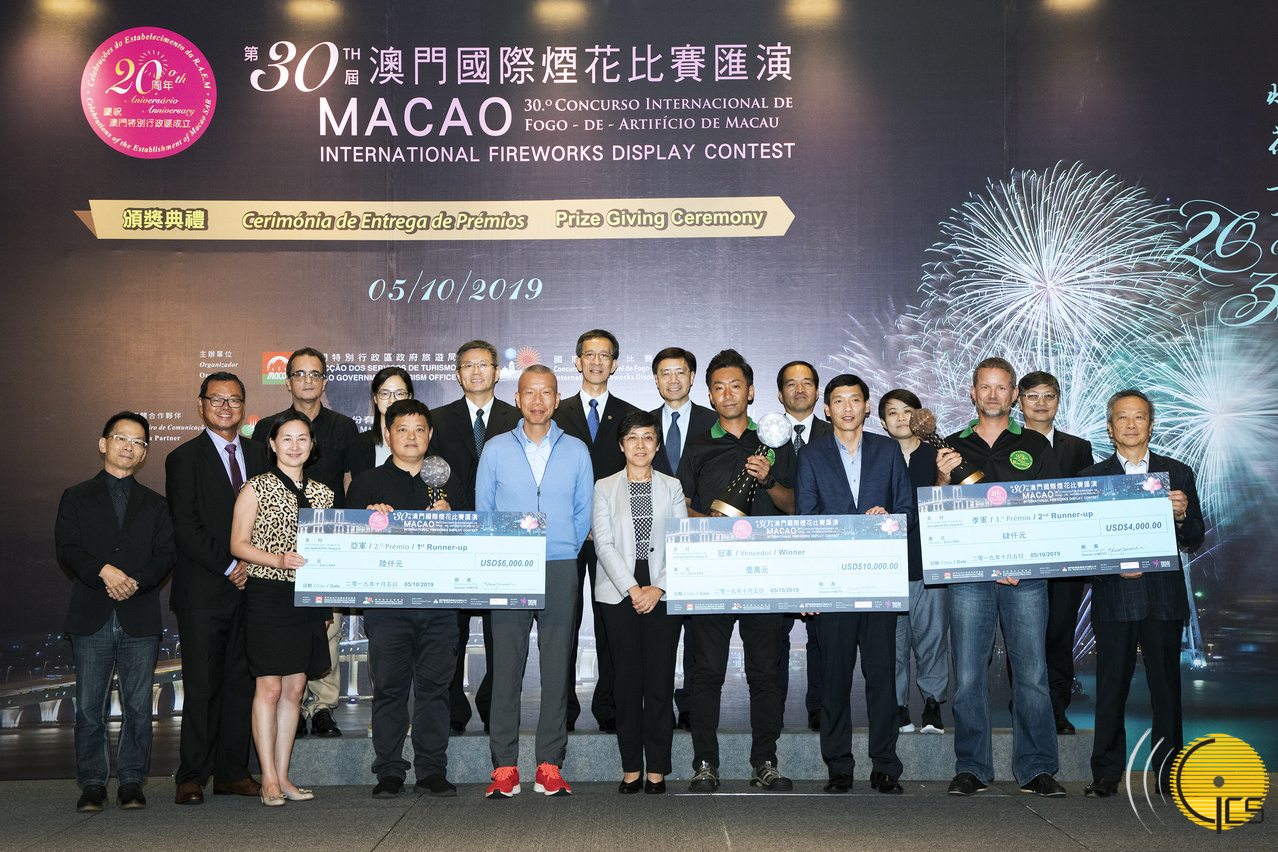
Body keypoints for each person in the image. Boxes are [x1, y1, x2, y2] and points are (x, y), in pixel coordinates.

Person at [938, 357, 1065, 798]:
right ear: (972, 393)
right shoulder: (950, 445)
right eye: (985, 387)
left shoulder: (1035, 443)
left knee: (1031, 675)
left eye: (1001, 387)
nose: (993, 395)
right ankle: (972, 766)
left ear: (1013, 395)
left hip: (1024, 577)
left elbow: (1050, 510)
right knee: (969, 675)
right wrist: (942, 477)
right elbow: (937, 515)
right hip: (969, 575)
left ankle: (1037, 767)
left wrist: (1022, 561)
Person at [677, 349, 796, 792]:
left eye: (736, 386)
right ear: (709, 394)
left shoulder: (775, 442)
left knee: (765, 672)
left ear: (750, 391)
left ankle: (765, 761)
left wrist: (769, 480)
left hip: (766, 571)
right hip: (710, 571)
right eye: (719, 387)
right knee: (706, 673)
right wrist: (704, 522)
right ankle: (705, 763)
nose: (727, 394)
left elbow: (795, 505)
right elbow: (680, 504)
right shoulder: (697, 444)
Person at [1080, 390, 1204, 798]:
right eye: (1122, 417)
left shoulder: (1178, 473)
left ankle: (1168, 774)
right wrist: (1110, 563)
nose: (1130, 424)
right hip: (1114, 595)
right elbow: (1080, 544)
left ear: (1151, 425)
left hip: (1163, 597)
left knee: (1166, 690)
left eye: (1139, 417)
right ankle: (1106, 773)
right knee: (1110, 688)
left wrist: (1181, 515)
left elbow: (1194, 536)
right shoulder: (1091, 477)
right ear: (1110, 427)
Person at [477, 365, 593, 797]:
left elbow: (583, 511)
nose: (538, 401)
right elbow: (485, 509)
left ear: (557, 399)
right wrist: (504, 552)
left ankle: (549, 764)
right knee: (505, 667)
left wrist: (563, 546)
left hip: (560, 564)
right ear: (518, 399)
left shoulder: (576, 449)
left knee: (557, 667)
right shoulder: (495, 449)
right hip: (509, 564)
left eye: (546, 393)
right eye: (530, 393)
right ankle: (504, 767)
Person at [796, 375, 913, 794]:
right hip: (832, 584)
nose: (847, 408)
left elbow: (907, 511)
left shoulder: (888, 450)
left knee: (882, 677)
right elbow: (805, 520)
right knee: (834, 679)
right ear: (827, 409)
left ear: (866, 406)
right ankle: (839, 767)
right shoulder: (811, 455)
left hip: (879, 580)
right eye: (839, 401)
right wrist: (808, 584)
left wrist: (889, 520)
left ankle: (885, 765)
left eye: (855, 400)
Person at [56, 412, 175, 812]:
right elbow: (67, 548)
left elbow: (166, 555)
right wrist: (103, 571)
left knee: (138, 708)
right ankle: (92, 783)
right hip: (90, 615)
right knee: (90, 708)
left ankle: (131, 781)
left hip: (139, 615)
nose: (129, 447)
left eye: (138, 442)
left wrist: (136, 581)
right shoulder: (76, 496)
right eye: (122, 438)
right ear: (103, 444)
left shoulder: (156, 504)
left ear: (144, 453)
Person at [346, 399, 462, 799]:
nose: (411, 437)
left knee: (435, 691)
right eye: (402, 429)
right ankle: (390, 771)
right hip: (387, 608)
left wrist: (453, 517)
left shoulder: (448, 481)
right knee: (389, 690)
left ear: (430, 435)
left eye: (419, 430)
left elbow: (473, 541)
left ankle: (431, 769)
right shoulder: (366, 483)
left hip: (440, 606)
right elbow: (348, 545)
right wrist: (368, 521)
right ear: (387, 434)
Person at [166, 372, 269, 805]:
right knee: (202, 685)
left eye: (234, 400)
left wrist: (252, 564)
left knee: (241, 684)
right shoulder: (183, 458)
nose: (226, 407)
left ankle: (232, 773)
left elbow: (271, 518)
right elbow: (186, 527)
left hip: (252, 590)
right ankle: (192, 776)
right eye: (217, 399)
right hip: (203, 592)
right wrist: (231, 565)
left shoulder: (260, 454)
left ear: (244, 406)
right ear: (201, 404)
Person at [252, 348, 359, 740]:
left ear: (325, 381)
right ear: (288, 381)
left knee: (327, 628)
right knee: (286, 630)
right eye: (300, 374)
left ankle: (323, 708)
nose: (308, 381)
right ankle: (291, 709)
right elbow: (259, 487)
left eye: (315, 374)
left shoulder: (344, 426)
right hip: (276, 548)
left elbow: (349, 482)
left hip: (328, 542)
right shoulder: (268, 426)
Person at [230, 410, 335, 806]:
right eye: (286, 439)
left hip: (307, 599)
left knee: (294, 689)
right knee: (270, 688)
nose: (295, 446)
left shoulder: (324, 495)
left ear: (312, 445)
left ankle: (285, 776)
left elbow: (329, 551)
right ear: (272, 444)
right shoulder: (256, 487)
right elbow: (237, 544)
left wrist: (326, 595)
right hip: (268, 595)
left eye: (302, 438)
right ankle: (268, 780)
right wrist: (277, 559)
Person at [592, 410, 689, 795]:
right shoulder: (605, 487)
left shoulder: (672, 486)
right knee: (627, 685)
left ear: (657, 444)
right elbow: (603, 545)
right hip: (619, 596)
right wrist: (634, 589)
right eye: (632, 438)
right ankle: (631, 767)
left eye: (648, 437)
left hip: (662, 593)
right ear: (621, 445)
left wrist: (657, 588)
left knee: (660, 683)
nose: (640, 445)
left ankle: (657, 770)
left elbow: (680, 542)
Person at [427, 341, 520, 735]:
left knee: (504, 630)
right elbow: (429, 470)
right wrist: (443, 503)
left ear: (497, 372)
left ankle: (495, 705)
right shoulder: (437, 419)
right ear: (457, 373)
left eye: (484, 364)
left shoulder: (519, 417)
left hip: (504, 536)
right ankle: (452, 709)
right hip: (455, 535)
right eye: (468, 365)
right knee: (453, 630)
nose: (476, 371)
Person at [552, 329, 640, 733]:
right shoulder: (556, 412)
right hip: (566, 536)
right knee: (564, 623)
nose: (596, 361)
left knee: (611, 624)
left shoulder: (630, 414)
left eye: (604, 355)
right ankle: (562, 709)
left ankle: (611, 707)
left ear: (615, 364)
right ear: (577, 361)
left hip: (613, 536)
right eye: (589, 354)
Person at [1016, 371, 1094, 735]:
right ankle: (1024, 707)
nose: (1041, 403)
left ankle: (1058, 709)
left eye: (1048, 396)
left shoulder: (1078, 447)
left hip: (1067, 558)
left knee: (1061, 635)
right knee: (1023, 637)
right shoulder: (1006, 444)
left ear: (1058, 401)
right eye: (1032, 396)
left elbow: (1088, 496)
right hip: (1021, 557)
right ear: (1019, 402)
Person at [649, 347, 716, 730]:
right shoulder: (642, 426)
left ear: (692, 377)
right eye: (665, 373)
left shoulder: (715, 422)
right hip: (652, 544)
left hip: (701, 539)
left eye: (680, 372)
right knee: (658, 634)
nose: (673, 379)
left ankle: (692, 705)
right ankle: (657, 708)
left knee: (699, 633)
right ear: (656, 380)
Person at [879, 388, 946, 735]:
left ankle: (933, 704)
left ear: (920, 416)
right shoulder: (874, 457)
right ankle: (898, 707)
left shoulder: (938, 455)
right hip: (886, 569)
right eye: (892, 412)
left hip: (928, 564)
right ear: (882, 422)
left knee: (932, 640)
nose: (901, 418)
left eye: (908, 411)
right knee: (892, 645)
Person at [777, 360, 833, 731]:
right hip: (777, 550)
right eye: (791, 383)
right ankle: (772, 711)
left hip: (824, 549)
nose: (800, 389)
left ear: (817, 391)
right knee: (773, 637)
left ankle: (821, 708)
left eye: (807, 383)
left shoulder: (837, 433)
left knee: (822, 637)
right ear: (779, 393)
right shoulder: (765, 434)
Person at [349, 366, 414, 478]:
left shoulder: (419, 441)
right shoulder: (360, 444)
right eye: (385, 393)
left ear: (409, 397)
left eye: (399, 394)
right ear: (375, 398)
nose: (392, 400)